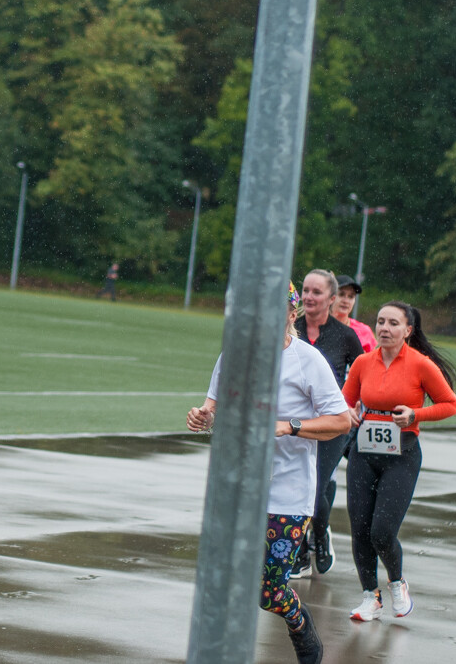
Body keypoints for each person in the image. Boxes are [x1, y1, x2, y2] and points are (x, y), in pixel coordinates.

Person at [187, 282, 350, 664]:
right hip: (239, 488)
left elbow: (341, 421)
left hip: (287, 493)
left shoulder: (308, 361)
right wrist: (203, 416)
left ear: (291, 314)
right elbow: (213, 406)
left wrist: (289, 425)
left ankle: (298, 621)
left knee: (270, 590)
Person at [344, 301, 456, 622]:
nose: (384, 328)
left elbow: (450, 404)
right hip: (363, 453)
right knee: (360, 529)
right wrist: (350, 412)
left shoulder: (421, 365)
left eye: (393, 323)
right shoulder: (364, 363)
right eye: (380, 321)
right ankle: (370, 596)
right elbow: (345, 400)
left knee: (381, 531)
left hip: (402, 455)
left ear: (408, 330)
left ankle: (397, 583)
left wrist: (415, 414)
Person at [292, 269, 364, 577]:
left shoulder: (345, 335)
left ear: (331, 299)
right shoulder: (289, 328)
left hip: (332, 424)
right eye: (306, 290)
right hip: (293, 421)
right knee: (295, 487)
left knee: (316, 486)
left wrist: (355, 406)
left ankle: (319, 537)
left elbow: (363, 373)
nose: (309, 296)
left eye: (317, 292)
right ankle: (299, 547)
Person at [332, 274, 375, 353]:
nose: (346, 301)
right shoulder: (317, 328)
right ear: (331, 297)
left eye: (351, 297)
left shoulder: (364, 331)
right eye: (341, 294)